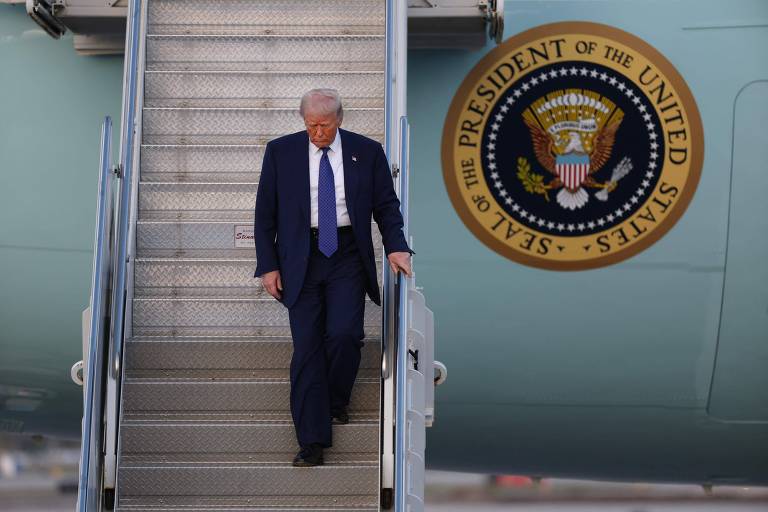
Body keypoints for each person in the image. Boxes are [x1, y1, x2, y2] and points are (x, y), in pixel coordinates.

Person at [253, 88, 414, 467]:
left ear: (339, 119)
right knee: (307, 347)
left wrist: (397, 246)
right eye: (311, 125)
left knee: (344, 335)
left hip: (345, 254)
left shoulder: (367, 152)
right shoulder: (281, 152)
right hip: (300, 257)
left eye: (324, 125)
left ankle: (335, 399)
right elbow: (264, 215)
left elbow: (386, 207)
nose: (317, 133)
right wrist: (269, 264)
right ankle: (312, 441)